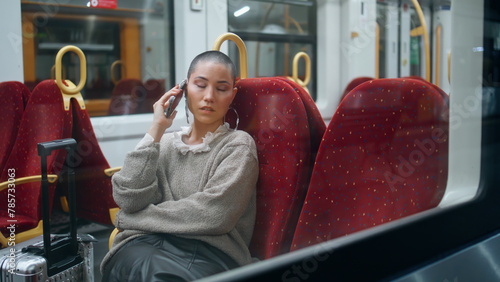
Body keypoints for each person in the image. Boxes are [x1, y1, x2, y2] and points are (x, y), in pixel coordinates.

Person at [101, 51, 259, 281]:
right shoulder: (164, 144)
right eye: (200, 85)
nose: (209, 96)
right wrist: (156, 129)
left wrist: (134, 220)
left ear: (232, 95)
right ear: (184, 90)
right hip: (147, 242)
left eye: (221, 89)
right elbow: (128, 198)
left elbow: (213, 215)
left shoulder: (238, 145)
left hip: (210, 251)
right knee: (130, 264)